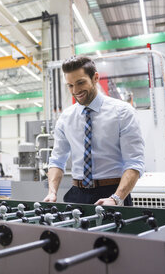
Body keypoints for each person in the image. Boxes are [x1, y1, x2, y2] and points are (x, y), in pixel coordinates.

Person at [43, 56, 144, 206]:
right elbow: (57, 160)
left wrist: (116, 198)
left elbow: (134, 162)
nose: (75, 91)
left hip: (113, 194)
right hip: (77, 195)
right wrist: (52, 192)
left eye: (80, 82)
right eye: (70, 85)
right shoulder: (66, 118)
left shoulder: (122, 112)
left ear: (95, 77)